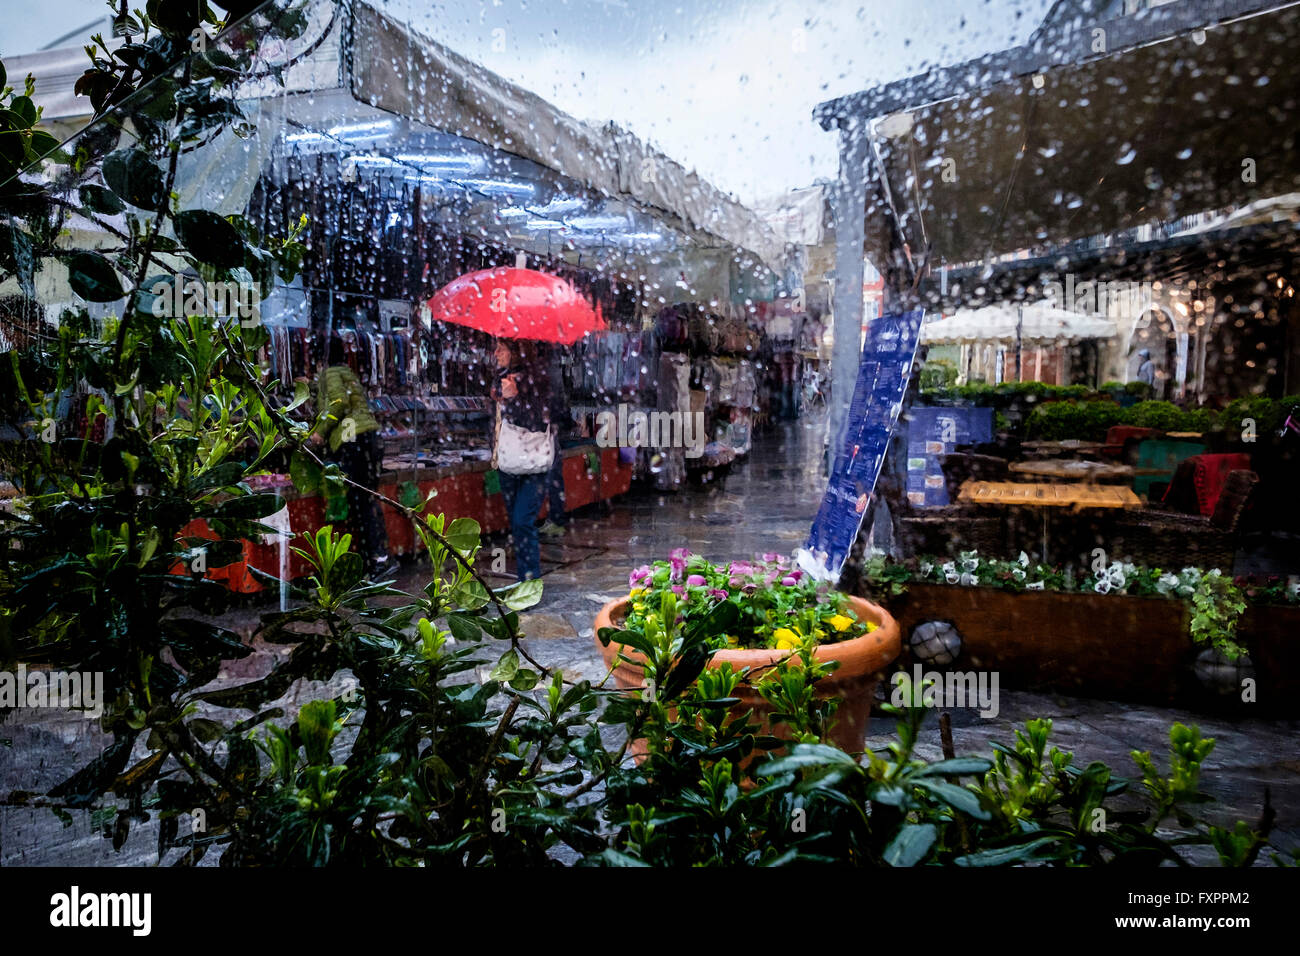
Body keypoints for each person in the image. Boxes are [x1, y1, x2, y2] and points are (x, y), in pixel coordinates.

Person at [311, 336, 391, 577]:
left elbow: (338, 402)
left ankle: (375, 562)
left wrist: (319, 432)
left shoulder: (330, 373)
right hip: (369, 439)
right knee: (368, 500)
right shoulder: (348, 373)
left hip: (353, 441)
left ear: (321, 359)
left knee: (360, 503)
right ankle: (380, 558)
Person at [491, 340, 553, 582]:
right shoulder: (502, 379)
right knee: (517, 525)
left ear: (516, 352)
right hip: (509, 461)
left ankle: (530, 581)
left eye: (502, 348)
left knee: (522, 521)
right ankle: (523, 579)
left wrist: (516, 397)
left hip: (534, 464)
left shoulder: (539, 380)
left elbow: (542, 420)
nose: (496, 353)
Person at [537, 346, 569, 538]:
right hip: (548, 426)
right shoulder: (551, 367)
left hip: (546, 427)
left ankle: (556, 519)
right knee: (552, 473)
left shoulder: (548, 369)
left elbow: (555, 400)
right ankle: (555, 518)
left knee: (552, 473)